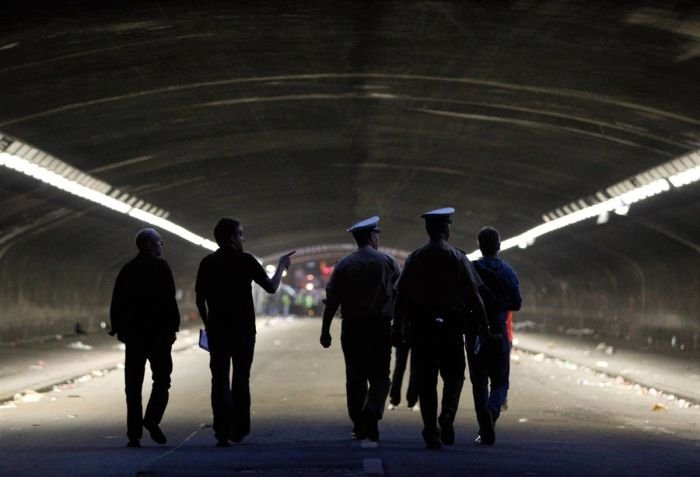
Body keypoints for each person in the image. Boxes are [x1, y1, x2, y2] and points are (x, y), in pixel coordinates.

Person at [394, 207, 489, 449]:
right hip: (452, 327)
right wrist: (484, 325)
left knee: (426, 381)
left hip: (422, 328)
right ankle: (447, 414)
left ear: (427, 230)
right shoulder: (457, 257)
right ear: (446, 229)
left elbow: (401, 296)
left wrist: (398, 327)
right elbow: (474, 295)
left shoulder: (415, 258)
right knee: (455, 375)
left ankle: (430, 432)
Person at [195, 217, 293, 447]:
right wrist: (281, 266)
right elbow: (271, 287)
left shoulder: (207, 263)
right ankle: (239, 429)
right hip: (243, 331)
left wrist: (208, 324)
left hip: (218, 330)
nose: (243, 237)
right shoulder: (245, 260)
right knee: (241, 378)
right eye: (240, 234)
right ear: (231, 237)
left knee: (218, 380)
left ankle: (221, 430)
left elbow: (199, 299)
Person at [320, 216, 401, 441]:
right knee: (380, 376)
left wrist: (325, 330)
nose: (377, 238)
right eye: (376, 234)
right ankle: (371, 412)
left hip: (353, 327)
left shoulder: (344, 264)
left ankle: (359, 423)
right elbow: (402, 295)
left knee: (355, 377)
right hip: (380, 326)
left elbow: (333, 300)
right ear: (370, 236)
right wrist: (401, 326)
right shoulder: (388, 261)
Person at [110, 228, 180, 448]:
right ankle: (151, 418)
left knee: (133, 385)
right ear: (149, 245)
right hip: (159, 335)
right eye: (159, 242)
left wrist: (118, 329)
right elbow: (170, 300)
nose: (162, 245)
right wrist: (173, 329)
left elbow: (117, 301)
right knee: (162, 380)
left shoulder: (128, 269)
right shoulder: (162, 267)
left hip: (135, 336)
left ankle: (134, 435)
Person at [467, 226, 522, 446]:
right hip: (499, 333)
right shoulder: (508, 271)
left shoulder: (470, 269)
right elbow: (517, 303)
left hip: (476, 335)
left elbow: (462, 298)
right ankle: (491, 412)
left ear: (479, 246)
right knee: (500, 383)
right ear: (498, 246)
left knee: (478, 382)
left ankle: (484, 426)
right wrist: (500, 305)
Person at [388, 340, 418, 410]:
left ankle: (395, 399)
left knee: (399, 367)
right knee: (414, 370)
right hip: (416, 334)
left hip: (403, 334)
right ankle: (412, 401)